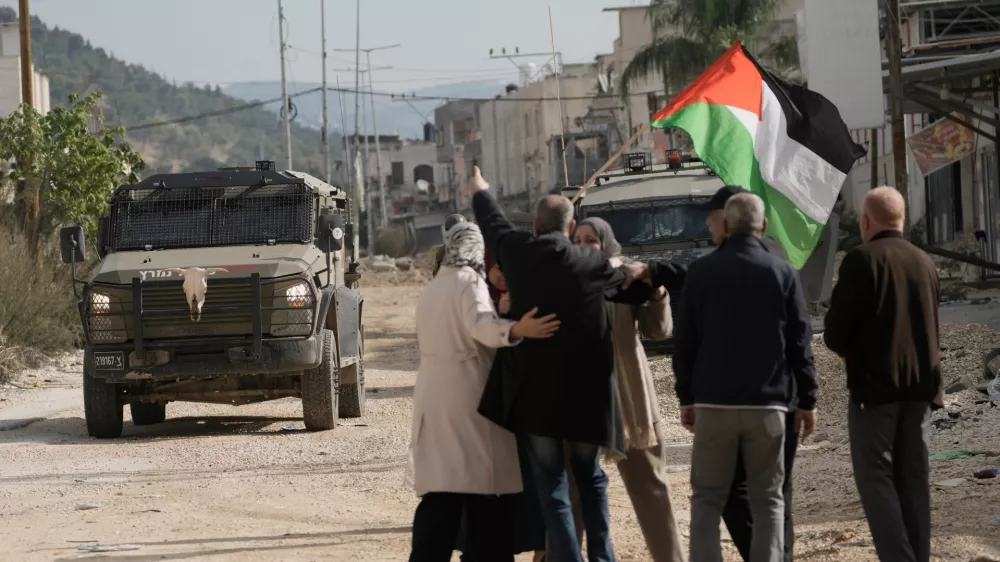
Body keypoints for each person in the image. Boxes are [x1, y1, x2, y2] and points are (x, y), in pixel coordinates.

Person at [469, 166, 654, 562]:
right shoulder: (593, 264)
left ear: (536, 225)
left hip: (537, 400)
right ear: (571, 229)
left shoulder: (518, 252)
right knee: (591, 478)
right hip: (587, 399)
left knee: (551, 484)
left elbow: (493, 223)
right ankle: (602, 556)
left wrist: (480, 190)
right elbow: (631, 284)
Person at [673, 192, 817, 562]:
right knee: (768, 498)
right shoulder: (782, 272)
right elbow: (800, 342)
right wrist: (807, 400)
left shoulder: (701, 273)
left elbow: (684, 342)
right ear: (763, 226)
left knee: (707, 498)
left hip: (713, 404)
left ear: (725, 225)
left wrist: (686, 398)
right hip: (768, 404)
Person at [409, 221, 561, 562]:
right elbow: (481, 327)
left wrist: (500, 314)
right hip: (467, 395)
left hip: (433, 396)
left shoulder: (435, 287)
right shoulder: (469, 282)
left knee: (447, 489)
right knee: (481, 488)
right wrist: (517, 328)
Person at [824, 186, 942, 562]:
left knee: (876, 478)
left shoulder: (861, 260)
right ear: (902, 219)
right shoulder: (924, 261)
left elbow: (835, 333)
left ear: (865, 221)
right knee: (914, 480)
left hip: (875, 391)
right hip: (921, 389)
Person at [571, 217, 686, 562]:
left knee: (650, 487)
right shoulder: (563, 280)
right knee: (573, 491)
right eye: (578, 239)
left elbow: (659, 331)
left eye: (591, 240)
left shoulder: (626, 276)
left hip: (629, 396)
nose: (583, 245)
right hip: (579, 397)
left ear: (606, 243)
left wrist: (657, 291)